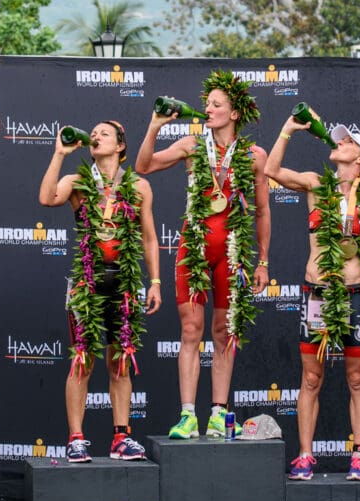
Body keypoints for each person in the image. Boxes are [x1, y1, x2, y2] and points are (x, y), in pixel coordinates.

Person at [134, 70, 270, 439]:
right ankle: (188, 415)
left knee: (224, 333)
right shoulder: (193, 145)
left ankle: (218, 414)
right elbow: (143, 166)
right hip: (194, 245)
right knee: (191, 330)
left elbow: (261, 210)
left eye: (216, 104)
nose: (207, 109)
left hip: (233, 250)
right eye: (207, 103)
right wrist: (154, 127)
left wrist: (263, 261)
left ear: (235, 112)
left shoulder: (255, 156)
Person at [264, 117, 360, 481]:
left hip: (356, 295)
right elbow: (271, 170)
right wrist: (287, 130)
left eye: (348, 142)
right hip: (317, 293)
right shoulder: (316, 183)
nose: (338, 144)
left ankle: (359, 455)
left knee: (357, 380)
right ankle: (305, 455)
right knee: (310, 379)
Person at [39, 121, 161, 463]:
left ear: (121, 147)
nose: (95, 137)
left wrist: (155, 282)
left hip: (122, 284)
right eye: (93, 134)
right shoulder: (77, 181)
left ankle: (121, 437)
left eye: (104, 134)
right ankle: (76, 438)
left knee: (120, 362)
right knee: (82, 361)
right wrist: (59, 154)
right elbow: (47, 198)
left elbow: (151, 238)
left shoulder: (139, 187)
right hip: (86, 283)